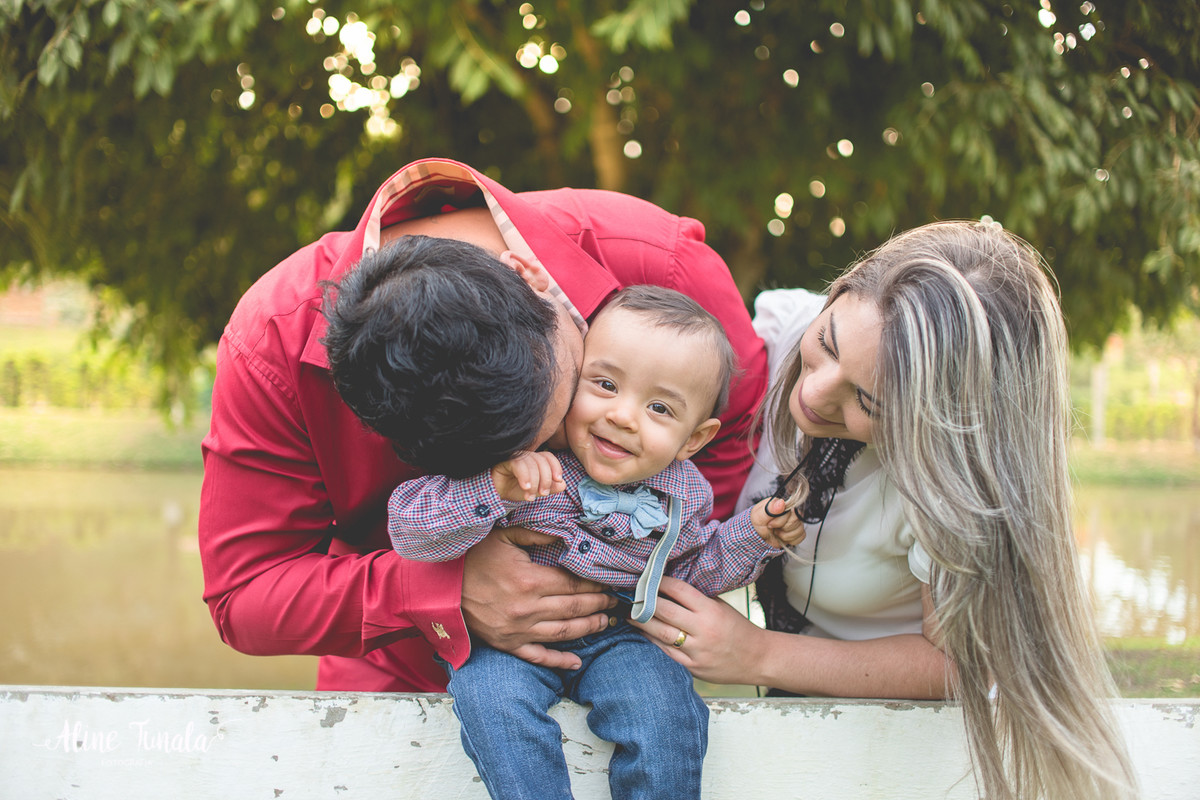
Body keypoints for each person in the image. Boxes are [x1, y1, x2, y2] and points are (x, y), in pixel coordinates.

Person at [197, 158, 767, 692]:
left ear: (529, 278)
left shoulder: (662, 263)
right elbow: (246, 597)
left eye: (563, 399)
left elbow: (735, 433)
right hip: (401, 671)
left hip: (627, 661)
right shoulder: (271, 345)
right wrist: (436, 589)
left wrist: (626, 574)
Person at [634, 221, 1140, 800]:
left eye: (867, 402)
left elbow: (957, 666)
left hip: (902, 750)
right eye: (826, 346)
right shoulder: (783, 332)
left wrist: (756, 653)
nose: (813, 394)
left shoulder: (951, 491)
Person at [376, 286, 801, 800]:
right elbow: (409, 528)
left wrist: (751, 536)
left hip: (617, 636)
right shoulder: (520, 450)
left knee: (663, 706)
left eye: (661, 408)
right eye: (604, 384)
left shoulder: (681, 497)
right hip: (506, 641)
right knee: (492, 702)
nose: (623, 416)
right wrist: (493, 487)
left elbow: (692, 573)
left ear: (694, 439)